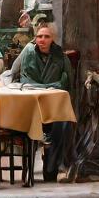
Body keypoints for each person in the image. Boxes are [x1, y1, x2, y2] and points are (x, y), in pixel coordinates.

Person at [19, 22, 72, 182]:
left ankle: (51, 167)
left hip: (53, 105)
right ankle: (40, 164)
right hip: (31, 105)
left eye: (46, 36)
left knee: (62, 123)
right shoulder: (27, 52)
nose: (42, 39)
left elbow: (67, 81)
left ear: (53, 39)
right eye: (39, 36)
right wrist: (50, 86)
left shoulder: (61, 56)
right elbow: (20, 77)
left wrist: (50, 87)